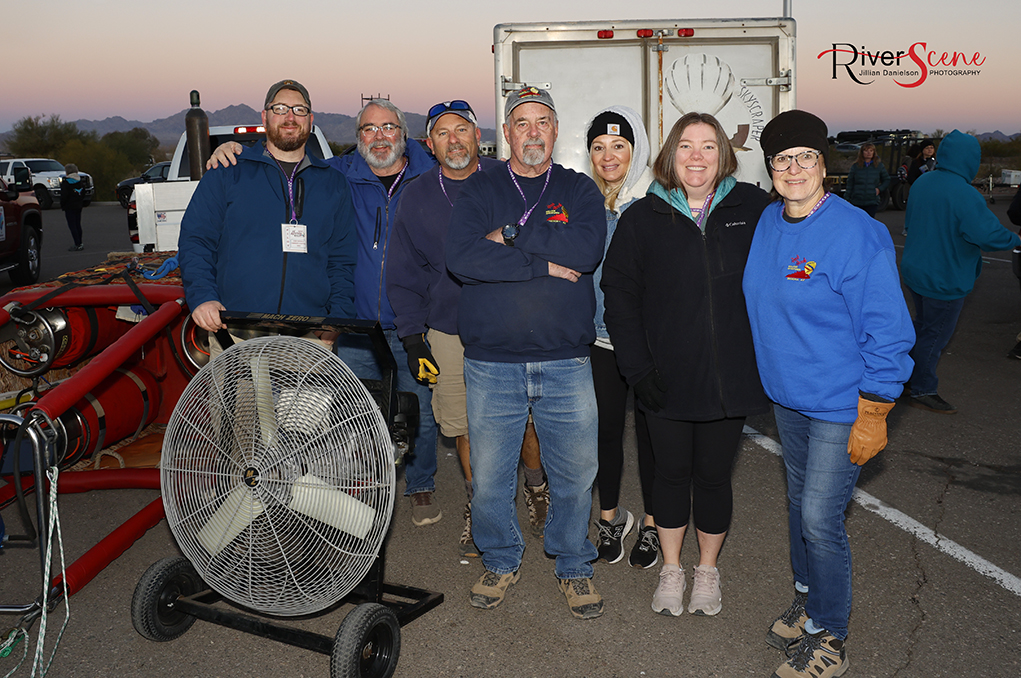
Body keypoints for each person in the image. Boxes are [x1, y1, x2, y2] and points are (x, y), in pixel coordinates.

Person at [208, 98, 443, 526]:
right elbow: (287, 162)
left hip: (414, 323)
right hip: (352, 325)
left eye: (388, 127)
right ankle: (364, 488)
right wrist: (234, 151)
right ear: (358, 138)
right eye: (369, 129)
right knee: (350, 415)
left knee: (420, 410)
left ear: (402, 134)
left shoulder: (431, 177)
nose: (379, 136)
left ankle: (421, 484)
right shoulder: (336, 174)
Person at [743, 109, 915, 678]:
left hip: (844, 403)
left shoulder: (854, 231)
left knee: (820, 517)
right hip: (788, 401)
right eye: (782, 160)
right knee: (798, 508)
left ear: (825, 164)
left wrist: (876, 407)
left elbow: (887, 327)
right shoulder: (770, 222)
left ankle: (829, 636)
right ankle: (807, 594)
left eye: (805, 158)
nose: (793, 169)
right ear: (770, 168)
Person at [445, 86, 606, 619]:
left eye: (543, 121)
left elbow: (586, 251)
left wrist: (507, 238)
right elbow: (462, 258)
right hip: (492, 362)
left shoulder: (579, 189)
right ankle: (500, 557)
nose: (532, 131)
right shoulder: (479, 186)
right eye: (521, 122)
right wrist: (536, 257)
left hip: (566, 359)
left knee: (576, 473)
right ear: (506, 133)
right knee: (490, 474)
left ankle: (574, 564)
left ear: (555, 131)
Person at [601, 112, 770, 618]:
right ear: (670, 155)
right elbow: (620, 297)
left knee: (714, 479)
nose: (697, 156)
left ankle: (708, 572)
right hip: (664, 382)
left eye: (708, 147)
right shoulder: (642, 217)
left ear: (724, 155)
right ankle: (672, 569)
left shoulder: (755, 208)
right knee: (670, 477)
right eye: (686, 147)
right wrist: (637, 369)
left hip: (728, 381)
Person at [387, 99, 546, 557]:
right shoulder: (416, 196)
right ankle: (483, 507)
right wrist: (414, 336)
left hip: (510, 322)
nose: (453, 140)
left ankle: (536, 487)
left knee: (526, 418)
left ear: (479, 136)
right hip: (448, 330)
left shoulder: (509, 180)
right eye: (442, 133)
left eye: (462, 130)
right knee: (464, 425)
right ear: (429, 144)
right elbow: (404, 273)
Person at [179, 79, 356, 332]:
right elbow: (196, 240)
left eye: (299, 110)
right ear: (265, 116)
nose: (290, 117)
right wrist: (203, 296)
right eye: (280, 108)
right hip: (235, 329)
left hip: (309, 335)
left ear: (310, 119)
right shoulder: (228, 171)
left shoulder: (333, 183)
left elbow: (342, 260)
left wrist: (337, 318)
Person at [584, 106, 658, 569]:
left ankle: (652, 525)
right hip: (597, 341)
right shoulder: (585, 202)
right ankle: (610, 518)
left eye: (618, 146)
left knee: (652, 438)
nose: (608, 156)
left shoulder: (656, 203)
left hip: (647, 343)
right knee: (604, 434)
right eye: (598, 147)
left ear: (637, 150)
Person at [901, 130, 1021, 412]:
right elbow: (988, 235)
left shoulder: (923, 181)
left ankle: (905, 377)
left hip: (917, 271)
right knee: (935, 335)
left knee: (922, 327)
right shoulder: (965, 194)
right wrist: (1017, 239)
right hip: (944, 278)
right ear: (969, 159)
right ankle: (922, 388)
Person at [843, 142, 890, 218]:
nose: (869, 153)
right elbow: (850, 183)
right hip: (857, 201)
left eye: (871, 151)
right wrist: (847, 198)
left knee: (869, 223)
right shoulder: (856, 166)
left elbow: (887, 179)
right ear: (862, 152)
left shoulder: (878, 166)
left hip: (871, 201)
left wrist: (879, 189)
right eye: (866, 150)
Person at [59, 164, 86, 251]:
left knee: (72, 225)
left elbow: (64, 196)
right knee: (78, 224)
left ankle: (77, 243)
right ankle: (80, 242)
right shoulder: (80, 181)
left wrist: (62, 204)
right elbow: (83, 193)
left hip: (69, 206)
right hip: (78, 205)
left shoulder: (66, 182)